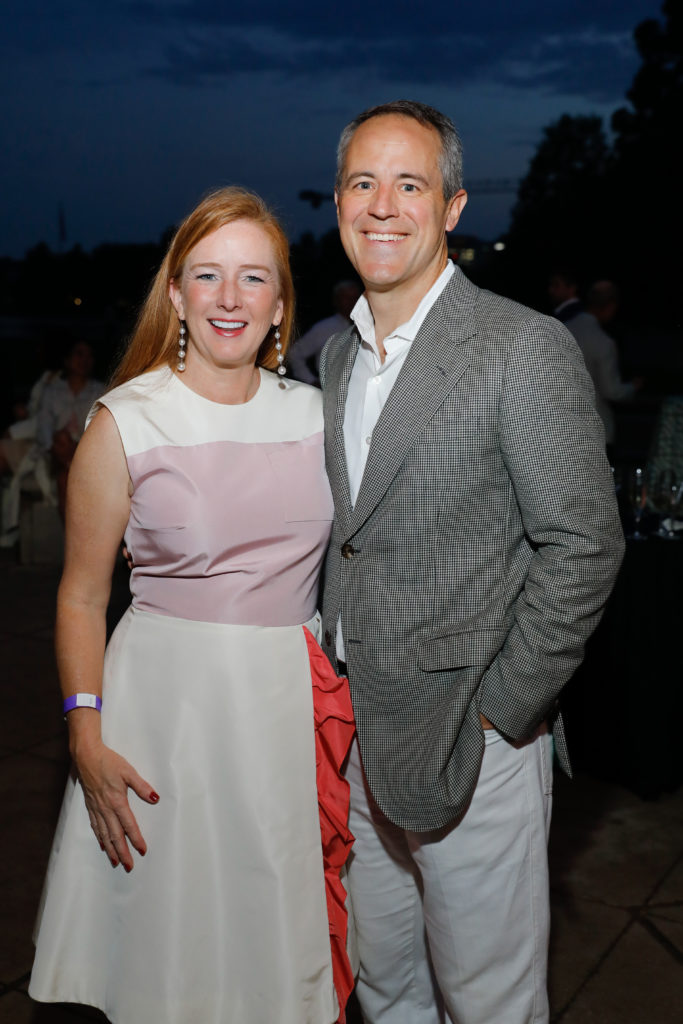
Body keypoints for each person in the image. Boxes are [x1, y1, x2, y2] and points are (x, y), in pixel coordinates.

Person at [318, 100, 625, 1024]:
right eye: (362, 183)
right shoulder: (336, 358)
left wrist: (503, 710)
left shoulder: (521, 346)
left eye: (408, 184)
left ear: (450, 206)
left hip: (472, 739)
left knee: (487, 1001)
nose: (382, 205)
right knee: (387, 986)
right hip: (357, 738)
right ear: (337, 203)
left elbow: (584, 544)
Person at [29, 187, 355, 1024]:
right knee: (166, 957)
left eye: (253, 278)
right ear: (175, 293)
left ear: (280, 302)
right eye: (207, 275)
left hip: (284, 708)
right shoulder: (126, 422)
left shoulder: (321, 418)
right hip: (164, 717)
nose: (229, 297)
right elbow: (80, 594)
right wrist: (83, 730)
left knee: (271, 952)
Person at [565, 280, 643, 449]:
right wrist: (633, 387)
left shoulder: (562, 329)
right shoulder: (603, 342)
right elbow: (611, 391)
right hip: (595, 429)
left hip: (563, 426)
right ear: (611, 306)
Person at [35, 338, 104, 518]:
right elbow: (44, 428)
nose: (84, 360)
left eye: (89, 356)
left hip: (86, 453)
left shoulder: (100, 391)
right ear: (67, 360)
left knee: (66, 476)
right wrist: (57, 449)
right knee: (61, 439)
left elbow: (100, 431)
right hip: (56, 453)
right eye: (79, 354)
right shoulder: (53, 391)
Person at [289, 280, 362, 386]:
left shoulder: (368, 325)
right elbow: (295, 353)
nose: (352, 302)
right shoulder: (325, 327)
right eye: (346, 298)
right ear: (336, 301)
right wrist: (311, 380)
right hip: (331, 390)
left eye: (355, 298)